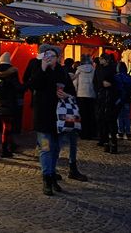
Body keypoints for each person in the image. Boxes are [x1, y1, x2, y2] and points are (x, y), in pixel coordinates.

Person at [30, 45, 81, 195]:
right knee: (45, 148)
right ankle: (46, 179)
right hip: (43, 118)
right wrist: (43, 68)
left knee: (56, 149)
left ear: (58, 58)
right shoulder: (38, 68)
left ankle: (52, 175)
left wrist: (66, 94)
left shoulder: (62, 72)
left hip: (60, 119)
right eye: (47, 55)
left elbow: (71, 91)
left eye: (53, 56)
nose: (50, 58)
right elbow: (33, 84)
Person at [0, 52, 23, 158]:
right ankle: (5, 149)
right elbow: (18, 88)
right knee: (7, 127)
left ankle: (11, 145)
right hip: (9, 104)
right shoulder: (12, 73)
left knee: (5, 126)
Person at [94, 53, 120, 154]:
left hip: (110, 97)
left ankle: (113, 144)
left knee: (111, 121)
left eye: (101, 59)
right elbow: (96, 82)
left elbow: (115, 82)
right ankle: (105, 142)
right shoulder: (99, 69)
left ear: (106, 60)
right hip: (102, 97)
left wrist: (110, 85)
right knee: (102, 120)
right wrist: (101, 86)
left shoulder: (112, 69)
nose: (100, 60)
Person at [72, 54, 96, 140]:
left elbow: (75, 83)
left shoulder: (79, 70)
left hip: (81, 94)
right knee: (90, 114)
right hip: (91, 94)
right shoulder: (93, 70)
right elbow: (95, 82)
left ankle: (83, 133)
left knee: (82, 115)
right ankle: (90, 133)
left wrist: (75, 91)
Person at [115, 61, 131, 140]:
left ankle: (120, 131)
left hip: (119, 99)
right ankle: (128, 132)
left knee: (120, 116)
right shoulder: (129, 77)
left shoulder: (116, 77)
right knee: (127, 116)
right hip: (127, 99)